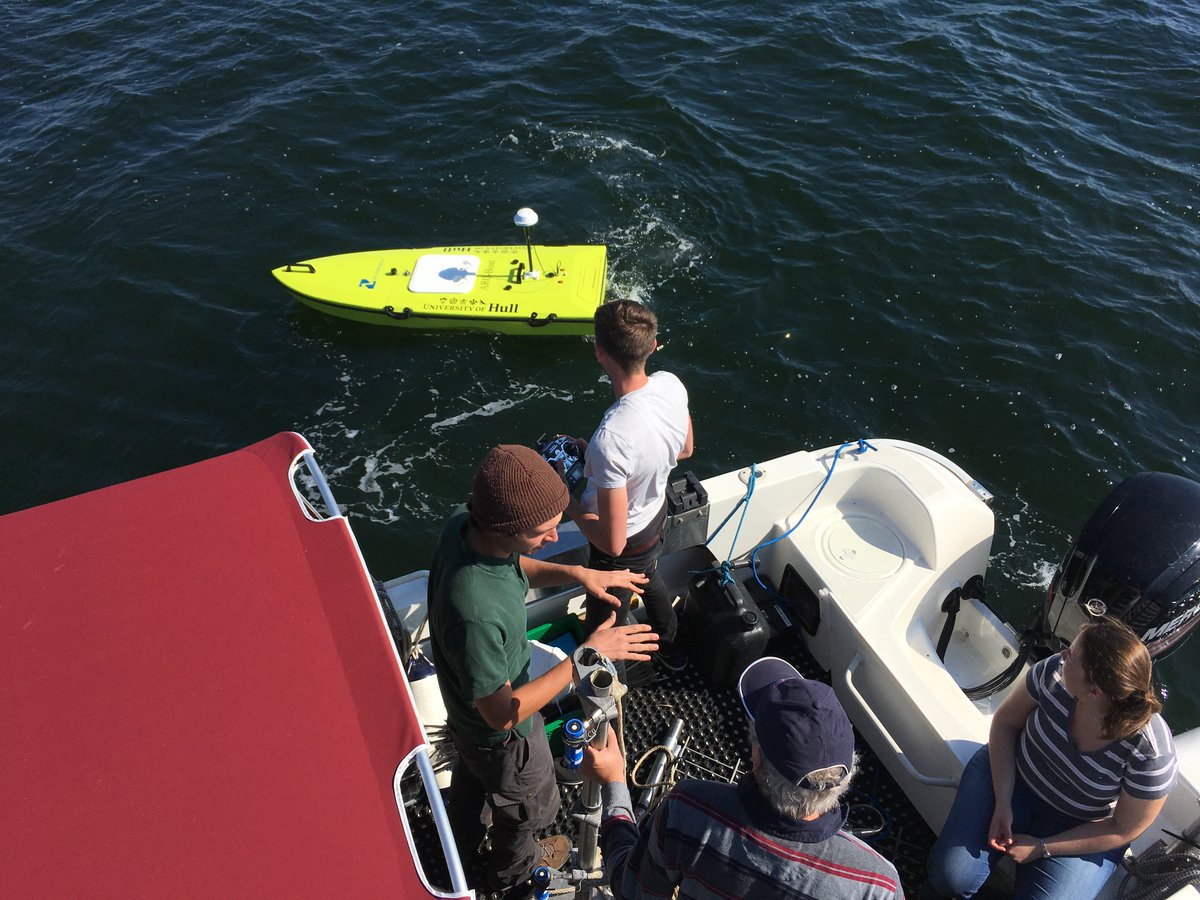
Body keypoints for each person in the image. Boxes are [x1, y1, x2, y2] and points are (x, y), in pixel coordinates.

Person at [428, 444, 660, 894]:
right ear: (507, 529)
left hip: (467, 724)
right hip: (503, 738)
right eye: (544, 531)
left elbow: (513, 568)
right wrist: (584, 657)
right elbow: (502, 714)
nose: (554, 538)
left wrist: (578, 574)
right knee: (530, 807)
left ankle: (461, 839)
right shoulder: (474, 612)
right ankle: (513, 876)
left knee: (473, 783)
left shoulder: (465, 523)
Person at [581, 656, 904, 898]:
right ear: (850, 767)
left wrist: (615, 784)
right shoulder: (876, 884)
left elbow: (632, 890)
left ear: (757, 755)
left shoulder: (690, 807)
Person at [923, 617, 1178, 899]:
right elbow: (1006, 724)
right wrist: (1003, 802)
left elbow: (1123, 828)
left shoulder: (1151, 753)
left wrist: (1043, 847)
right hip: (1014, 777)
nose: (1062, 655)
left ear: (1093, 691)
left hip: (1079, 824)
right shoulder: (1053, 673)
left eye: (1072, 657)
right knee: (950, 877)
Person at [565, 299, 694, 670]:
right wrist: (597, 458)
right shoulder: (671, 384)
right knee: (648, 575)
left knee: (605, 632)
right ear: (652, 347)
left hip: (622, 548)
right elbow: (684, 448)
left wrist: (564, 499)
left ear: (599, 352)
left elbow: (613, 541)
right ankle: (672, 650)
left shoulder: (613, 437)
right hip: (656, 517)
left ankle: (613, 690)